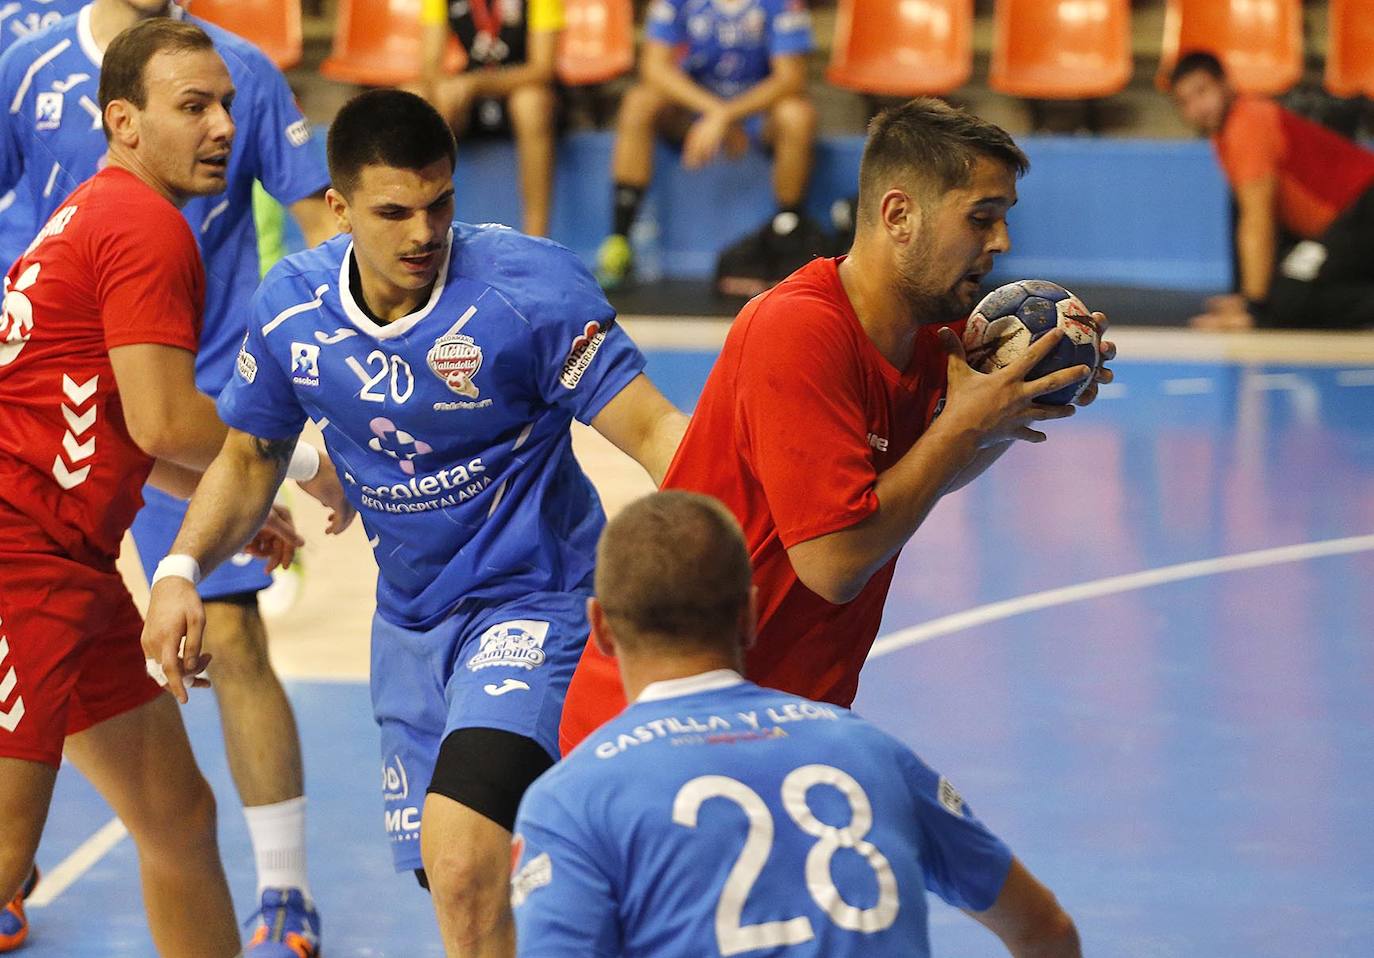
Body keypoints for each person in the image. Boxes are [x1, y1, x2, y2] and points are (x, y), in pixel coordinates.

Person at [140, 88, 688, 958]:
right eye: (394, 212)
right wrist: (179, 571)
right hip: (409, 630)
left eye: (440, 205)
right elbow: (250, 456)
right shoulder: (294, 308)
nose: (423, 233)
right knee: (463, 885)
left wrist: (718, 554)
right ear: (339, 208)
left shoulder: (526, 290)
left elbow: (660, 430)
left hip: (534, 604)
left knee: (466, 858)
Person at [560, 97, 1117, 751]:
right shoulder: (799, 329)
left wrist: (1007, 407)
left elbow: (915, 477)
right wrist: (962, 426)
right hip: (663, 733)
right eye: (982, 218)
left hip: (780, 723)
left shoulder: (930, 336)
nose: (1002, 243)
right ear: (899, 215)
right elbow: (834, 560)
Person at [0, 19, 347, 957]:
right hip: (16, 561)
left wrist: (246, 495)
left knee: (178, 817)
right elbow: (163, 420)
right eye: (193, 108)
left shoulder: (103, 208)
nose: (223, 127)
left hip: (70, 566)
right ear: (124, 122)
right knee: (3, 861)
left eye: (227, 104)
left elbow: (123, 425)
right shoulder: (144, 227)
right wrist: (305, 462)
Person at [513, 490, 1081, 958]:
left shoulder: (571, 801)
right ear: (750, 615)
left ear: (602, 628)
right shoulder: (872, 753)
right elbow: (1046, 931)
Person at [594, 0, 822, 294]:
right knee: (639, 103)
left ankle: (788, 234)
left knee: (798, 115)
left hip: (757, 112)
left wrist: (728, 115)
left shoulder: (782, 4)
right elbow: (654, 66)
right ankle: (620, 242)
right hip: (693, 109)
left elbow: (791, 77)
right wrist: (714, 111)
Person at [1169, 51, 1374, 331]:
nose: (1197, 107)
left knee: (1288, 299)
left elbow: (1257, 220)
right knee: (1283, 289)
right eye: (1185, 102)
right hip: (1348, 223)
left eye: (1202, 91)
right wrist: (1247, 297)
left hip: (1362, 208)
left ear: (1225, 83)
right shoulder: (1228, 133)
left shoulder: (1247, 123)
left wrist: (1255, 308)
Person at [416, 0, 562, 237]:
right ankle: (424, 232)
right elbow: (430, 67)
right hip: (470, 94)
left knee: (530, 104)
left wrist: (476, 84)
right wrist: (448, 90)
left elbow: (543, 69)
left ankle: (537, 239)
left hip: (520, 87)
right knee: (419, 96)